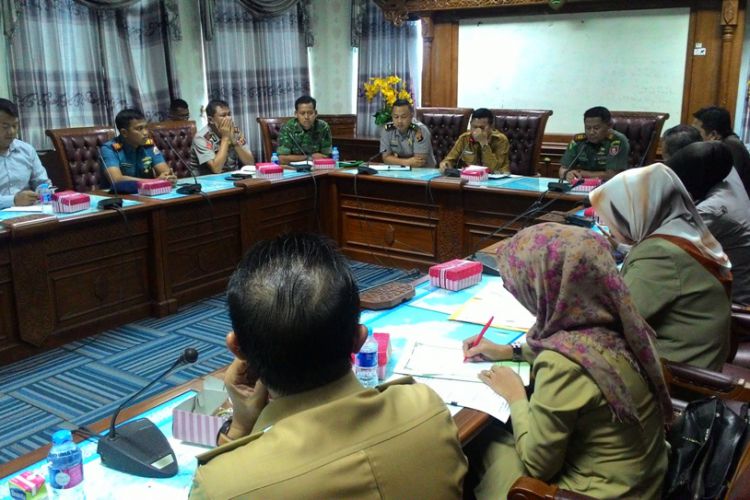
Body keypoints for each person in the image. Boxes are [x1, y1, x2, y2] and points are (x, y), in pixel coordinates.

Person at [189, 233, 467, 498]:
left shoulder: (222, 485)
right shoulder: (427, 407)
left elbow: (227, 482)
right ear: (359, 340)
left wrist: (241, 426)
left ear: (237, 348)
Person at [463, 223, 670, 499]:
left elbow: (537, 465)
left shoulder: (562, 363)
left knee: (483, 441)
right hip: (645, 479)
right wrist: (511, 351)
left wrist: (515, 395)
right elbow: (581, 351)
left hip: (599, 493)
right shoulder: (622, 323)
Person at [589, 163, 732, 370]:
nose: (609, 226)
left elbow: (613, 319)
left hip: (675, 374)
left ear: (635, 211)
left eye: (612, 216)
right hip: (697, 359)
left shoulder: (659, 255)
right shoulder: (682, 230)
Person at [667, 141, 750, 306]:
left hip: (733, 303)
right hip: (721, 281)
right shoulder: (725, 174)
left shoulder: (711, 210)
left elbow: (665, 247)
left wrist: (620, 246)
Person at [100, 108, 176, 185]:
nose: (146, 133)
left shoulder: (149, 145)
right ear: (124, 133)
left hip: (147, 191)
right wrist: (155, 181)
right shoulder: (109, 149)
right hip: (120, 192)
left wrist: (169, 177)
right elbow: (116, 180)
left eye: (146, 127)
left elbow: (165, 172)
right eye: (139, 129)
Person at [0, 98, 50, 209]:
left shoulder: (26, 150)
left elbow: (42, 182)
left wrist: (43, 191)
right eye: (5, 127)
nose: (11, 131)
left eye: (15, 126)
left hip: (30, 212)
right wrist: (13, 200)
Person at [559, 106, 629, 182]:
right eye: (588, 128)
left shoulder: (617, 141)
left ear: (609, 126)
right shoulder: (578, 141)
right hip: (581, 185)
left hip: (608, 186)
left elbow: (611, 175)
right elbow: (563, 169)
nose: (591, 132)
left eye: (596, 128)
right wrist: (567, 174)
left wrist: (580, 173)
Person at [692, 105, 750, 195]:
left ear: (713, 134)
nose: (692, 136)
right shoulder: (724, 144)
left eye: (697, 132)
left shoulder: (730, 147)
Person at [190, 99, 255, 175]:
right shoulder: (201, 138)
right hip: (207, 179)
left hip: (232, 176)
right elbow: (216, 169)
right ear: (211, 120)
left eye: (229, 114)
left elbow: (250, 163)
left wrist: (234, 141)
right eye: (223, 115)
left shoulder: (235, 131)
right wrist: (225, 138)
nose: (229, 118)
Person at [439, 108, 510, 174]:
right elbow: (449, 160)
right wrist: (445, 164)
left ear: (491, 127)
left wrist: (484, 143)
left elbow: (494, 169)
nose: (477, 131)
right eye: (474, 127)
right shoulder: (464, 138)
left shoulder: (501, 140)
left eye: (482, 128)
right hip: (470, 179)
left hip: (496, 181)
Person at [380, 99, 436, 168]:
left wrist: (395, 160)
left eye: (403, 117)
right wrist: (407, 162)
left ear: (411, 116)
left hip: (424, 171)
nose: (399, 121)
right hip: (400, 170)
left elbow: (419, 162)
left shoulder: (420, 130)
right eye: (396, 117)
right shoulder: (387, 130)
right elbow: (385, 158)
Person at [277, 95, 332, 164]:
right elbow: (282, 158)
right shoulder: (288, 128)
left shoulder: (323, 127)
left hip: (317, 167)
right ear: (296, 114)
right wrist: (309, 157)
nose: (306, 117)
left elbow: (327, 156)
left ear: (315, 113)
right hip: (294, 168)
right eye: (302, 113)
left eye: (310, 113)